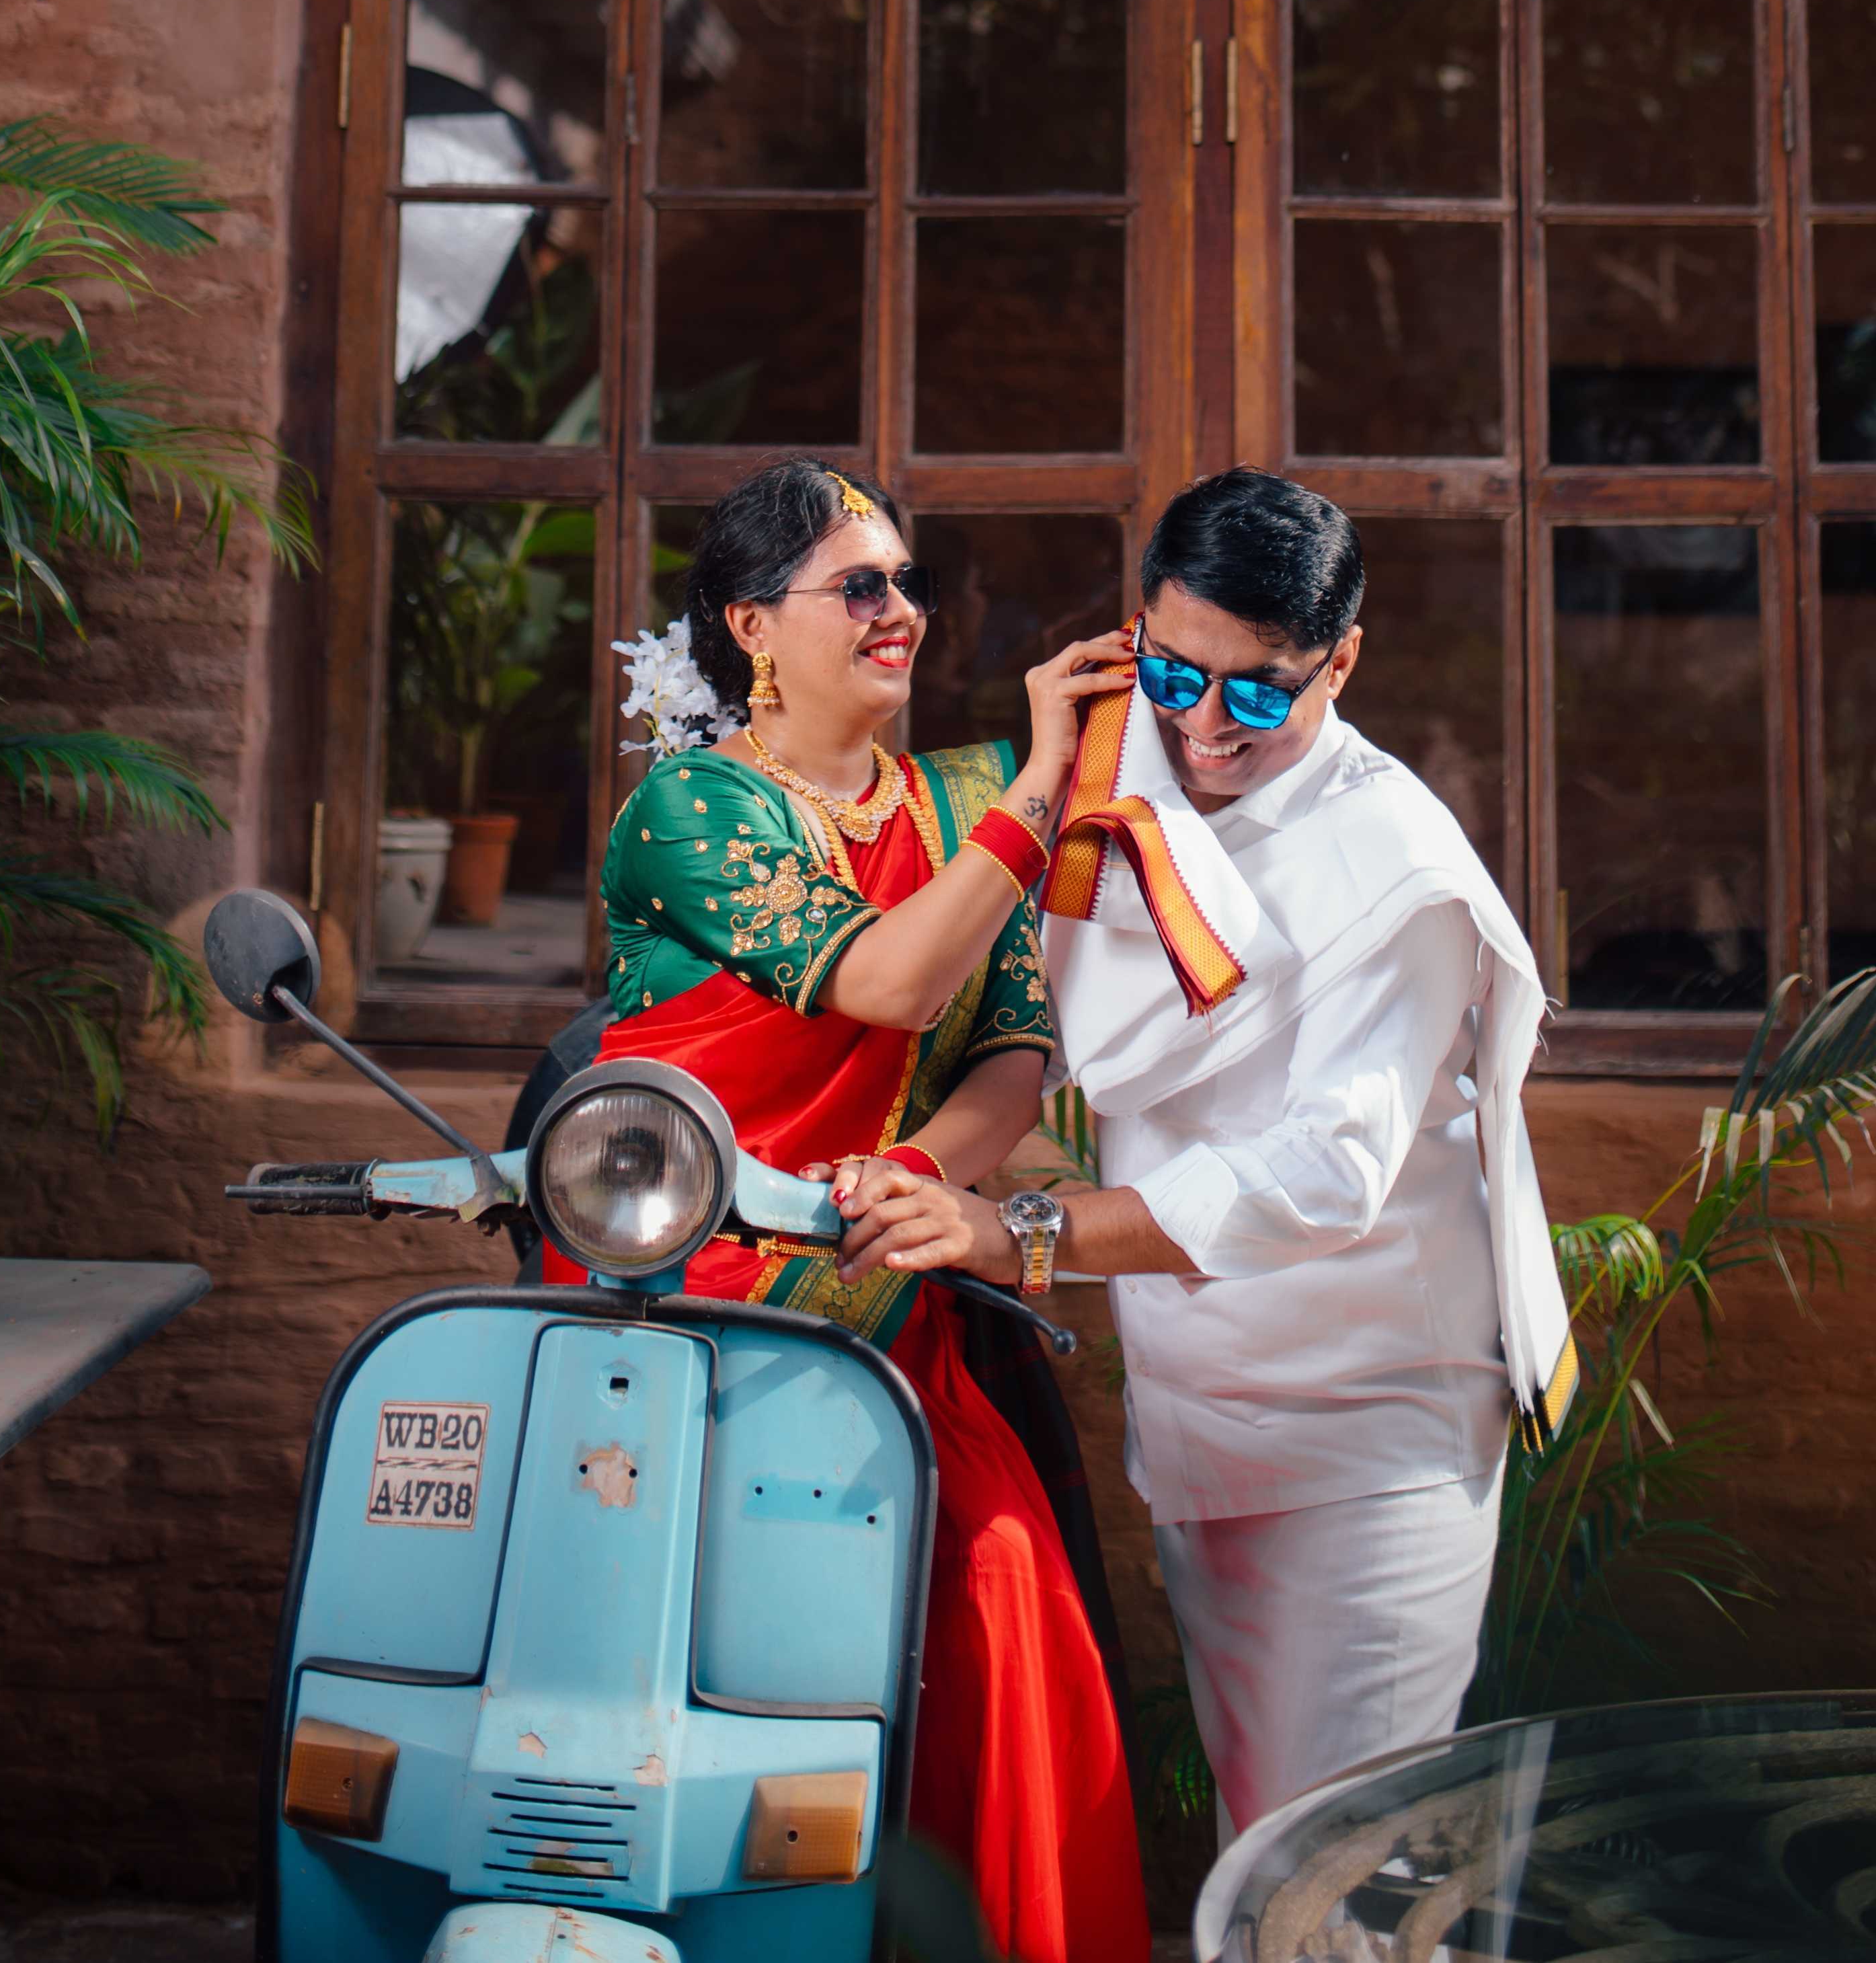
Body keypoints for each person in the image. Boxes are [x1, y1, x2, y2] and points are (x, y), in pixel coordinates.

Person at [830, 465, 1576, 1843]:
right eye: (1177, 674)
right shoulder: (1115, 765)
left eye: (1257, 691)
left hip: (1370, 1423)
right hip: (1203, 1404)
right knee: (1261, 1841)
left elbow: (1323, 1174)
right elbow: (994, 1014)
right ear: (1138, 629)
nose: (1209, 728)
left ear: (1339, 661)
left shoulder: (1398, 862)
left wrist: (1027, 1237)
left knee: (1343, 1871)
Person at [556, 455, 1150, 1963]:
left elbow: (1016, 1050)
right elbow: (885, 977)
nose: (900, 612)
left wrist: (921, 1172)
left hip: (884, 1300)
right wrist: (1035, 783)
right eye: (859, 586)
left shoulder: (947, 806)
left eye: (906, 584)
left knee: (1005, 1591)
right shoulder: (689, 811)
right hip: (691, 1313)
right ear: (752, 628)